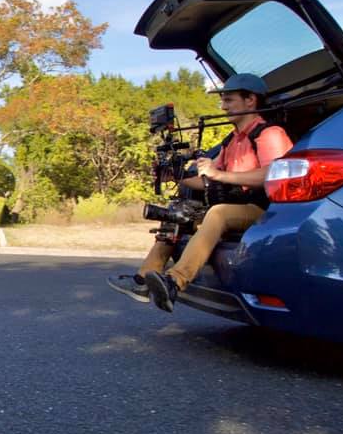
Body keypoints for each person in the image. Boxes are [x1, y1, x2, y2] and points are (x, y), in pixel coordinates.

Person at [107, 73, 293, 312]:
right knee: (177, 215)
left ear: (251, 101)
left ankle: (175, 281)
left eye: (229, 100)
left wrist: (220, 175)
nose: (223, 106)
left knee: (218, 213)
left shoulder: (269, 134)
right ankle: (144, 280)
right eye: (223, 101)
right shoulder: (232, 140)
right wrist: (176, 176)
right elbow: (207, 181)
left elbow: (274, 174)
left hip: (263, 210)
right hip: (234, 207)